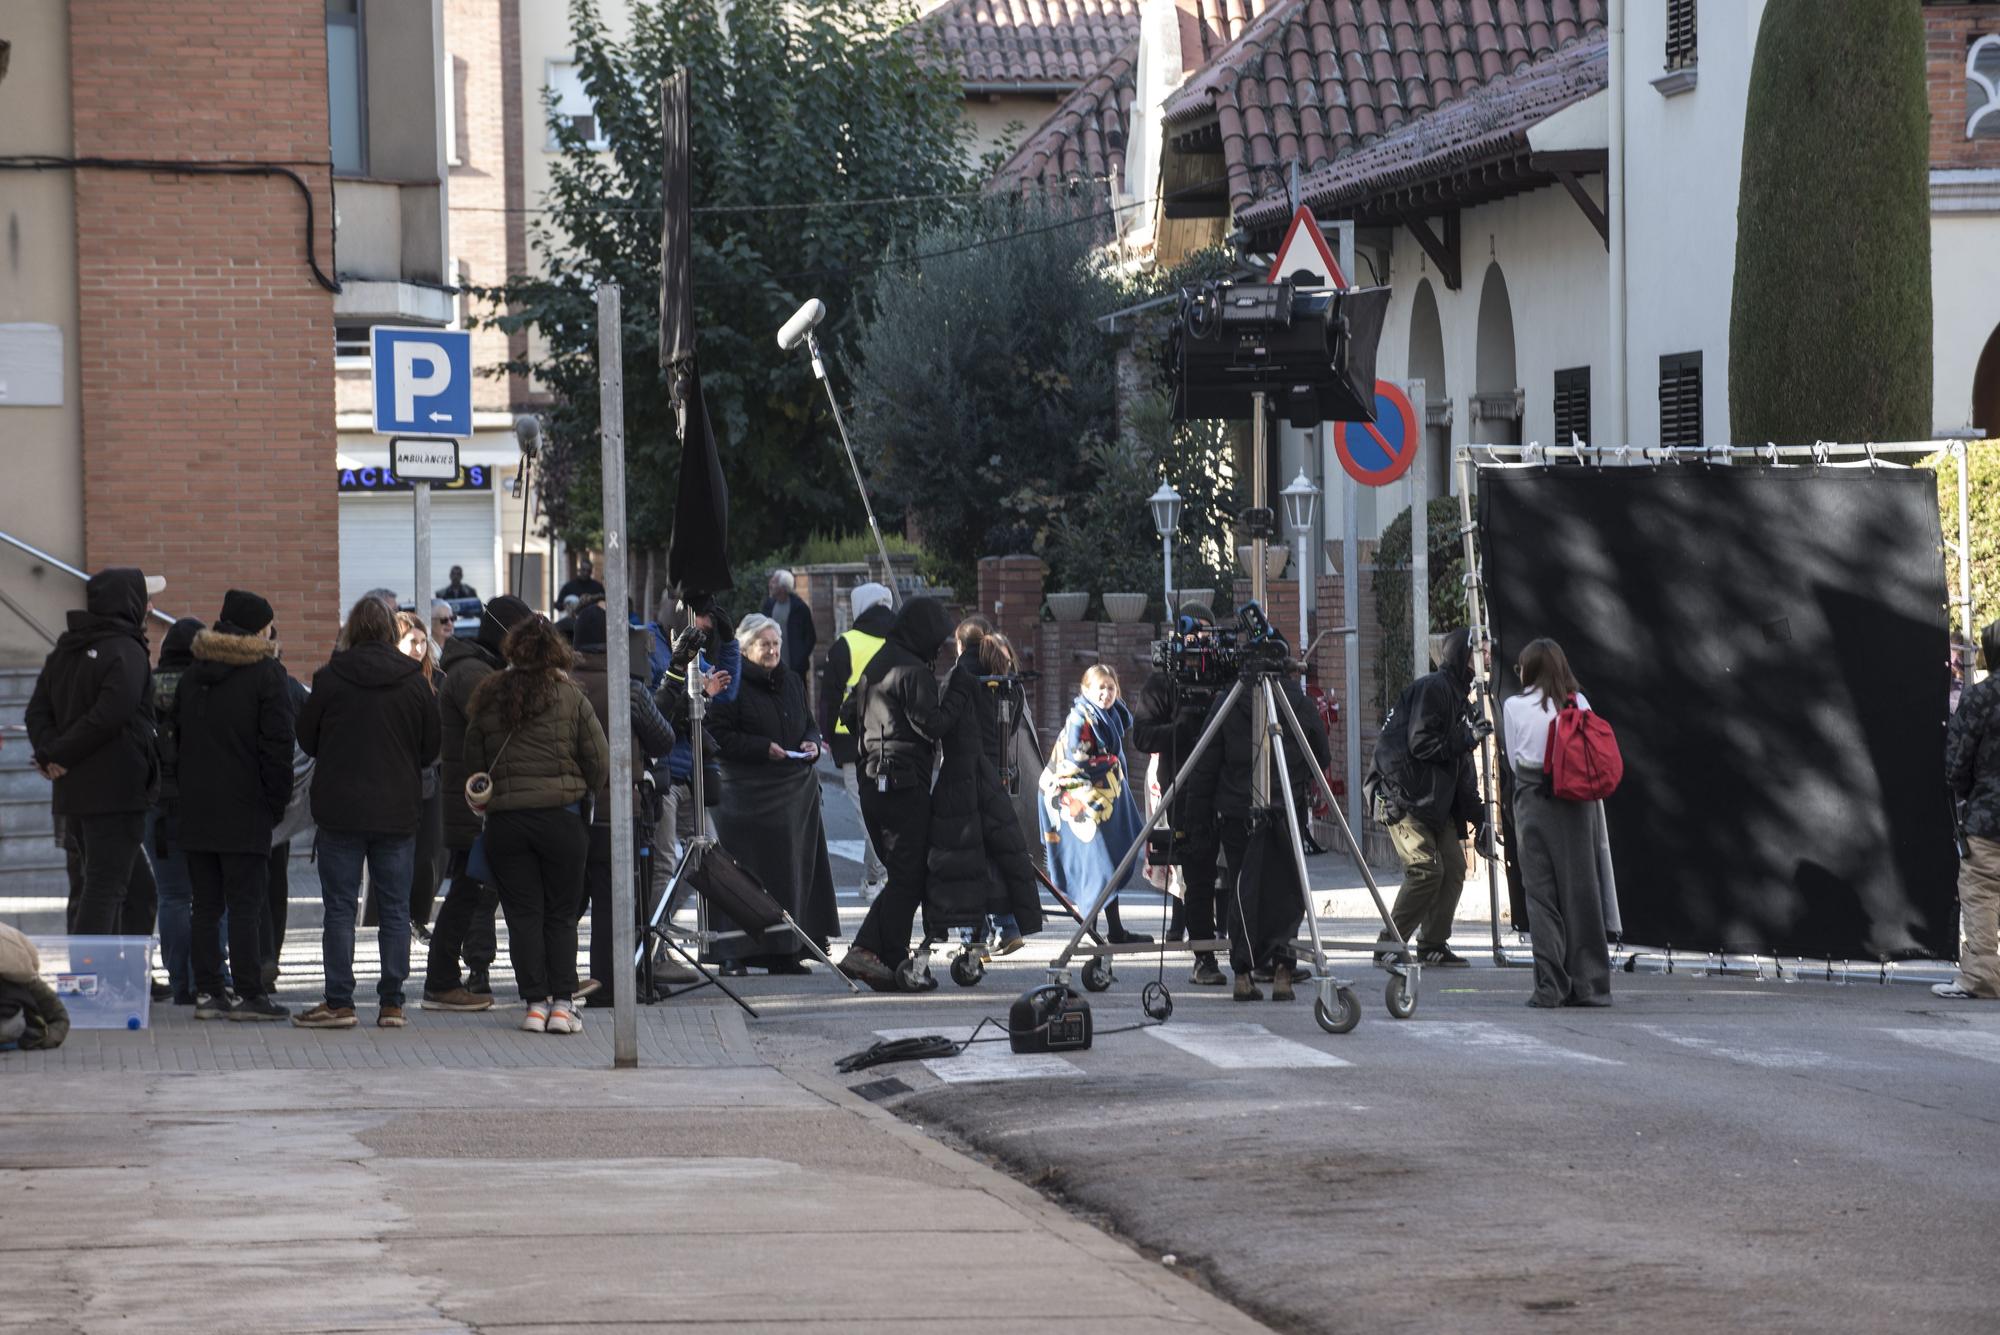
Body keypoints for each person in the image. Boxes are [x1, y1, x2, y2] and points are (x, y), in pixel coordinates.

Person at [294, 596, 442, 1030]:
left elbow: (306, 739)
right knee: (395, 908)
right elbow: (431, 748)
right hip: (397, 811)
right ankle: (392, 1002)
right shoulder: (414, 682)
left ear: (352, 630)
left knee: (339, 908)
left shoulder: (330, 678)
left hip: (340, 811)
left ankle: (339, 1001)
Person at [464, 615, 609, 1034]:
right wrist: (583, 790)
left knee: (522, 915)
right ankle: (563, 1006)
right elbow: (597, 758)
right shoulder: (570, 696)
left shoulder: (488, 695)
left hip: (506, 825)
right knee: (561, 915)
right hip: (562, 821)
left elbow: (474, 760)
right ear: (557, 651)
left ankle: (534, 1005)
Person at [837, 596, 976, 989]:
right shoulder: (913, 671)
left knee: (902, 874)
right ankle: (866, 949)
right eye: (937, 640)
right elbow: (933, 725)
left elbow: (848, 715)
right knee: (909, 877)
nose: (939, 648)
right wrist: (958, 689)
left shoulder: (876, 664)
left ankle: (889, 960)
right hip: (903, 784)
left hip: (871, 782)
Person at [174, 590, 296, 1022]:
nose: (271, 632)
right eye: (268, 625)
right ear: (256, 628)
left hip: (196, 808)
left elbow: (178, 742)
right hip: (246, 808)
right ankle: (249, 994)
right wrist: (276, 800)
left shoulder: (193, 674)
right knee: (246, 904)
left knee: (205, 905)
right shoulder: (266, 674)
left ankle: (208, 993)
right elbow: (278, 744)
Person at [1183, 646, 1331, 1000]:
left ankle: (1243, 974)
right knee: (1287, 892)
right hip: (1287, 809)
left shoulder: (1228, 701)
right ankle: (1282, 971)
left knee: (1243, 889)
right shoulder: (1296, 699)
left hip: (1237, 811)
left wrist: (1194, 820)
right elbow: (1321, 755)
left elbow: (1205, 765)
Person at [25, 567, 164, 936]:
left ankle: (127, 979)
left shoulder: (65, 650)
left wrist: (50, 753)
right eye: (144, 598)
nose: (150, 606)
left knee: (137, 890)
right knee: (105, 889)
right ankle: (92, 982)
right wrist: (56, 755)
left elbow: (36, 711)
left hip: (76, 792)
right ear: (129, 602)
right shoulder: (127, 650)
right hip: (116, 793)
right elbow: (110, 715)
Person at [706, 613, 839, 975]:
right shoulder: (729, 684)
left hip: (789, 793)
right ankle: (732, 952)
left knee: (788, 871)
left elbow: (808, 723)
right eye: (765, 644)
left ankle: (785, 948)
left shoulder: (792, 681)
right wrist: (762, 747)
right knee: (740, 875)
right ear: (747, 648)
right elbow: (718, 735)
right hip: (743, 794)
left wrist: (811, 744)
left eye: (776, 644)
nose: (772, 651)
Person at [422, 594, 533, 1011]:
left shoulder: (477, 669)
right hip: (474, 806)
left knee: (476, 894)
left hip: (475, 803)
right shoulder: (473, 674)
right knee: (472, 895)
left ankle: (451, 978)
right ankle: (443, 981)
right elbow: (505, 725)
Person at [572, 605, 676, 1005]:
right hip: (618, 811)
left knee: (565, 903)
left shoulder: (562, 683)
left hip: (569, 809)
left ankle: (559, 982)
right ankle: (609, 987)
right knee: (614, 904)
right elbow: (663, 739)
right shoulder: (628, 688)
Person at [1368, 627, 1488, 968]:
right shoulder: (1434, 689)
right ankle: (1388, 945)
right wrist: (1465, 737)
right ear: (1460, 656)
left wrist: (1479, 819)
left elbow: (1462, 768)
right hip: (1404, 796)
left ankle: (1433, 943)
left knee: (1453, 868)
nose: (1484, 660)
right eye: (1477, 653)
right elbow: (1421, 743)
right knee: (1425, 870)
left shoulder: (1460, 699)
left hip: (1435, 802)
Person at [1503, 638, 1613, 1007]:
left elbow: (1513, 759)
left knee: (1540, 896)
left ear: (1529, 669)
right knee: (1582, 893)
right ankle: (1592, 985)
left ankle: (1550, 986)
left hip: (1533, 798)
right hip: (1577, 802)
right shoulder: (1578, 703)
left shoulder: (1514, 706)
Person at [1130, 604, 1228, 986]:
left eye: (1206, 633)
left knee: (1239, 875)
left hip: (1231, 786)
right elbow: (1142, 736)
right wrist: (1182, 728)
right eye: (1191, 633)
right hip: (1187, 790)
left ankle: (1255, 955)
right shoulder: (1163, 682)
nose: (1199, 641)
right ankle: (1204, 958)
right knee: (1199, 877)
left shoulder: (1224, 677)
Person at [930, 624, 1042, 955]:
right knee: (1000, 851)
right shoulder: (1008, 682)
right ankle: (1007, 925)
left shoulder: (959, 677)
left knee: (968, 856)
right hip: (1000, 773)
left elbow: (944, 722)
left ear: (960, 645)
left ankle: (972, 937)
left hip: (964, 775)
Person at [1038, 665, 1153, 945]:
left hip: (1096, 799)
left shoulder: (1113, 715)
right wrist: (1110, 764)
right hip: (1072, 799)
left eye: (1110, 687)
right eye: (1100, 688)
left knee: (1109, 862)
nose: (1106, 693)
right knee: (1099, 865)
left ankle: (1113, 930)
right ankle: (1092, 929)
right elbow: (1077, 761)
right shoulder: (1080, 717)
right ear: (1085, 690)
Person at [147, 617, 209, 1004]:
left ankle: (178, 981)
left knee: (171, 896)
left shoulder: (146, 684)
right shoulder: (204, 686)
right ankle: (206, 978)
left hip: (155, 805)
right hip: (200, 803)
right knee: (207, 897)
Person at [821, 582, 894, 902]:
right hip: (893, 737)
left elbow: (830, 698)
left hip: (852, 740)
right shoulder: (901, 639)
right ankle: (873, 877)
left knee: (866, 810)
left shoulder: (845, 645)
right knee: (882, 807)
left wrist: (826, 736)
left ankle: (884, 873)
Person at [1941, 618, 2000, 1000]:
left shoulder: (1981, 697)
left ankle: (1981, 976)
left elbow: (1956, 762)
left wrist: (1963, 793)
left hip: (1987, 817)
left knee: (1981, 895)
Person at [394, 610, 445, 940]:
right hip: (396, 777)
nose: (419, 649)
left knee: (429, 851)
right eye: (412, 642)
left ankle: (417, 915)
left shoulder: (436, 679)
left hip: (429, 775)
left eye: (423, 642)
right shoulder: (389, 681)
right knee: (398, 852)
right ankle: (400, 916)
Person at [762, 568, 818, 679]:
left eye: (774, 582)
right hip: (772, 667)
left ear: (782, 587)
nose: (770, 585)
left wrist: (800, 659)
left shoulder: (800, 608)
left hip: (795, 670)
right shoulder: (768, 605)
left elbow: (811, 638)